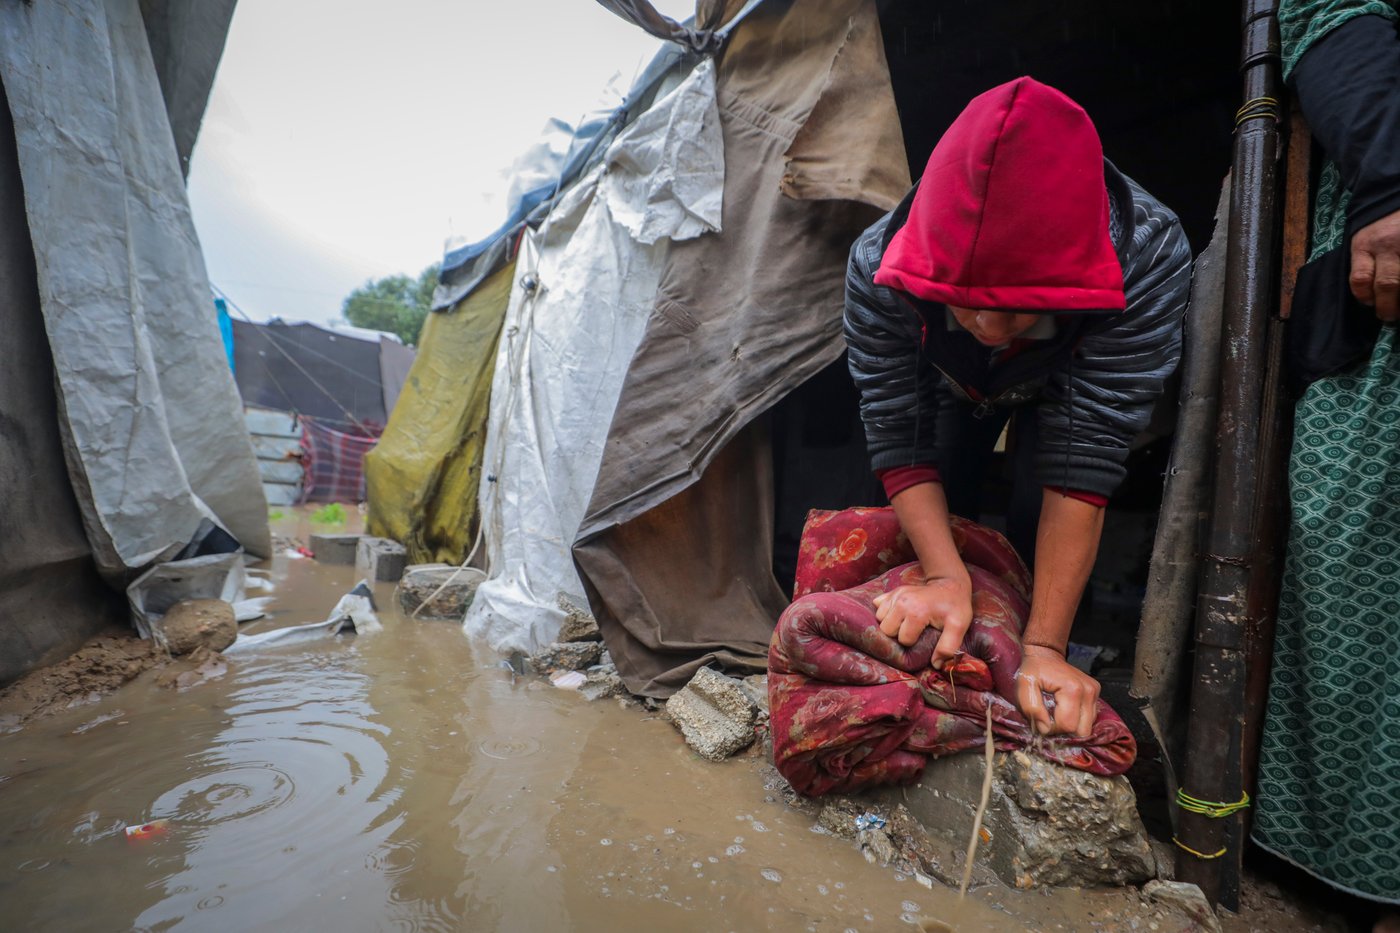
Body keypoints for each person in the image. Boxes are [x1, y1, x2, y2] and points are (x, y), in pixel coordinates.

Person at [843, 77, 1192, 739]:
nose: (988, 325)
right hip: (945, 387)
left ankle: (1042, 653)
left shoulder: (1145, 256)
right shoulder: (876, 264)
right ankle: (943, 604)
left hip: (1062, 386)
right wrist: (946, 575)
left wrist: (1045, 649)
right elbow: (898, 426)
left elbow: (1083, 450)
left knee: (1038, 506)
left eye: (1015, 307)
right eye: (965, 301)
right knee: (940, 485)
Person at [1253, 1, 1400, 925]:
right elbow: (1331, 10)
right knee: (1355, 554)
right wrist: (1390, 185)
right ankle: (1367, 875)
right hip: (1385, 273)